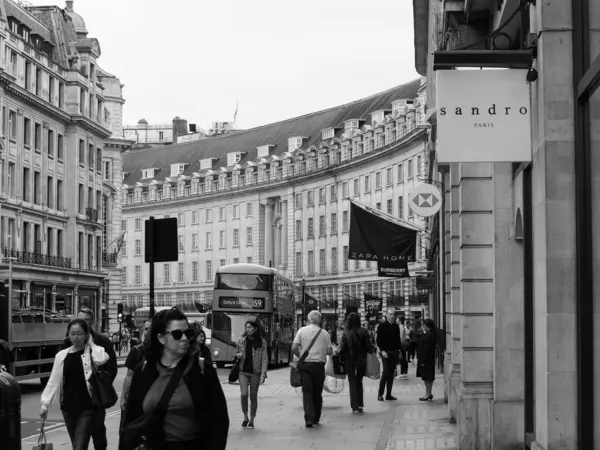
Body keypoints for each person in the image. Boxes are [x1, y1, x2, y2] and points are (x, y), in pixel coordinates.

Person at [121, 307, 229, 450]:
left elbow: (219, 420)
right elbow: (132, 419)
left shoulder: (202, 370)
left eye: (187, 333)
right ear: (161, 338)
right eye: (177, 334)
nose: (185, 339)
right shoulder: (144, 369)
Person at [40, 318, 110, 450]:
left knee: (79, 445)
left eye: (79, 333)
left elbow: (102, 359)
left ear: (86, 335)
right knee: (76, 445)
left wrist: (91, 344)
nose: (75, 337)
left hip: (87, 407)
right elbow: (53, 381)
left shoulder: (92, 352)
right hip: (68, 408)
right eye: (72, 333)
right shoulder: (61, 355)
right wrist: (45, 404)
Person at [61, 307, 116, 450]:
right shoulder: (68, 342)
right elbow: (59, 371)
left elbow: (111, 369)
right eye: (78, 319)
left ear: (91, 323)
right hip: (73, 399)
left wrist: (101, 384)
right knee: (78, 442)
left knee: (97, 434)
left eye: (85, 320)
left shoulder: (102, 341)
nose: (80, 322)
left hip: (95, 399)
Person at [291, 310, 333, 428]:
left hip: (305, 365)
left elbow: (294, 348)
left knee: (307, 391)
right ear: (319, 320)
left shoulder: (301, 330)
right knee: (317, 392)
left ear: (309, 319)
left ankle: (309, 418)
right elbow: (329, 351)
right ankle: (316, 418)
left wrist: (301, 356)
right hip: (319, 366)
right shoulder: (325, 333)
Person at [337, 312, 375, 414]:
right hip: (361, 360)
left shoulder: (346, 333)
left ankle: (354, 407)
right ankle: (360, 403)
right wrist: (372, 350)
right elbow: (369, 346)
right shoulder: (363, 331)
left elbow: (343, 348)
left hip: (349, 360)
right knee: (359, 381)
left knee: (352, 382)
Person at [234, 321, 268, 428]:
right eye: (246, 327)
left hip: (255, 372)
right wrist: (238, 356)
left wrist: (263, 374)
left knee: (253, 396)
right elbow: (236, 354)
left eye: (250, 327)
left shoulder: (261, 342)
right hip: (242, 371)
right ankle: (245, 417)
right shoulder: (241, 340)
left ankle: (252, 419)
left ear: (255, 329)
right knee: (244, 394)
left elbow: (264, 358)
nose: (247, 329)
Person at [121, 319, 152, 411]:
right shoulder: (136, 350)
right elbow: (129, 376)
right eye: (146, 329)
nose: (148, 332)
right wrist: (123, 397)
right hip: (137, 396)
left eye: (151, 329)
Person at [375, 308, 401, 401]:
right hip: (385, 352)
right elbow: (378, 340)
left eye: (393, 314)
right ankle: (380, 394)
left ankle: (388, 394)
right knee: (386, 373)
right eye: (390, 314)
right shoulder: (381, 326)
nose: (392, 316)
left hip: (394, 352)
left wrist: (399, 350)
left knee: (391, 374)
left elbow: (398, 339)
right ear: (386, 315)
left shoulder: (396, 326)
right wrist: (382, 351)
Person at [417, 318, 437, 401]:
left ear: (426, 325)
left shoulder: (430, 335)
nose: (422, 326)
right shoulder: (429, 333)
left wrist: (423, 361)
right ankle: (428, 393)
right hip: (426, 359)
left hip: (427, 360)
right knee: (426, 377)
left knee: (427, 377)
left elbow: (427, 350)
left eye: (423, 325)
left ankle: (428, 394)